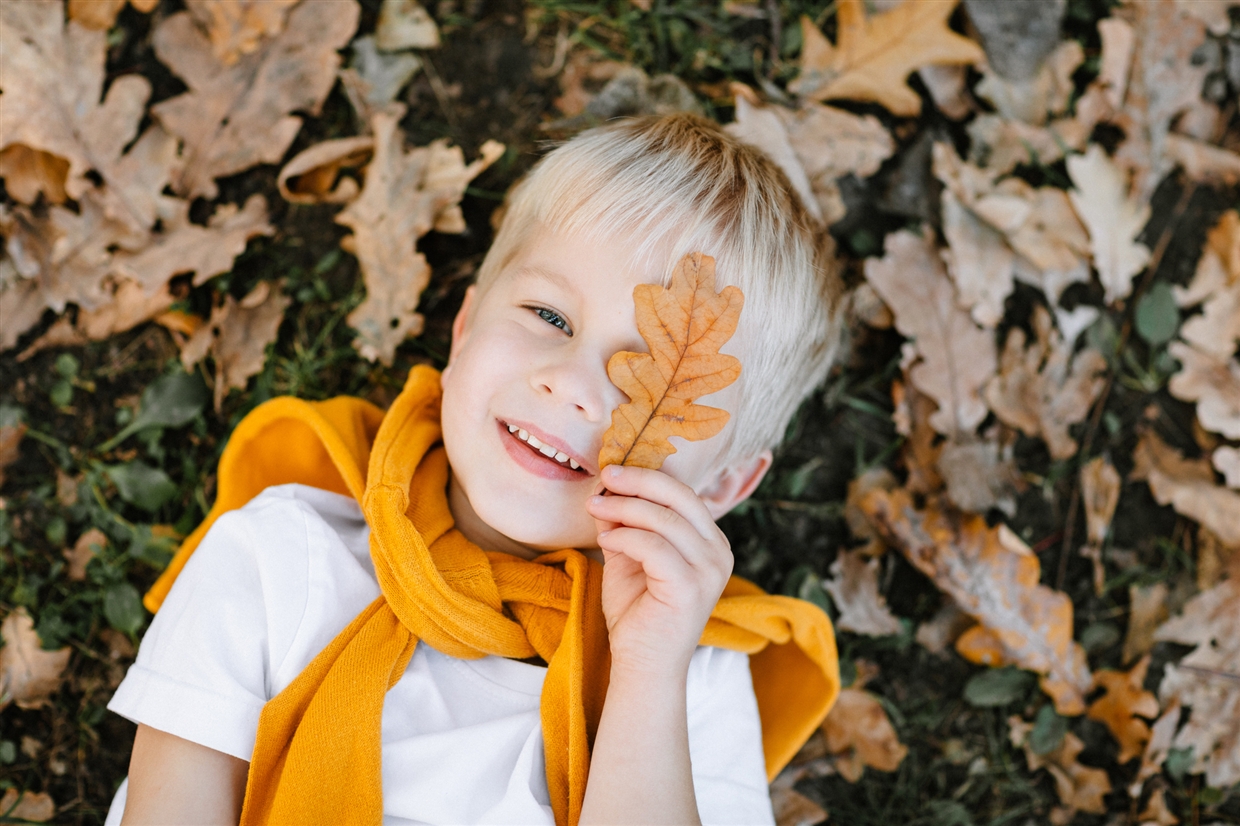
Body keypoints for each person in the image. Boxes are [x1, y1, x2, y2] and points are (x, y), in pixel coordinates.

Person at [105, 113, 844, 826]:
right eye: (550, 318)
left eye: (648, 380)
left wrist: (649, 673)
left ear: (720, 487)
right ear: (463, 332)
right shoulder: (274, 559)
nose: (575, 385)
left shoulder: (694, 681)